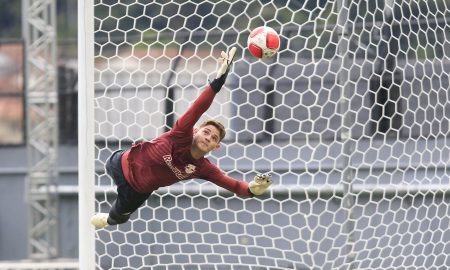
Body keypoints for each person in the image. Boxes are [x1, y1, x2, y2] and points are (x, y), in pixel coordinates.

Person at [91, 47, 273, 228]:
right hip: (119, 164)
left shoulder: (203, 168)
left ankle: (107, 220)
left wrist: (252, 189)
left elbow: (234, 186)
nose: (209, 137)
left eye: (214, 138)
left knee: (118, 219)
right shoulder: (181, 134)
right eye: (206, 132)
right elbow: (197, 108)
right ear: (196, 131)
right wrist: (216, 84)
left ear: (215, 147)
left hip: (136, 191)